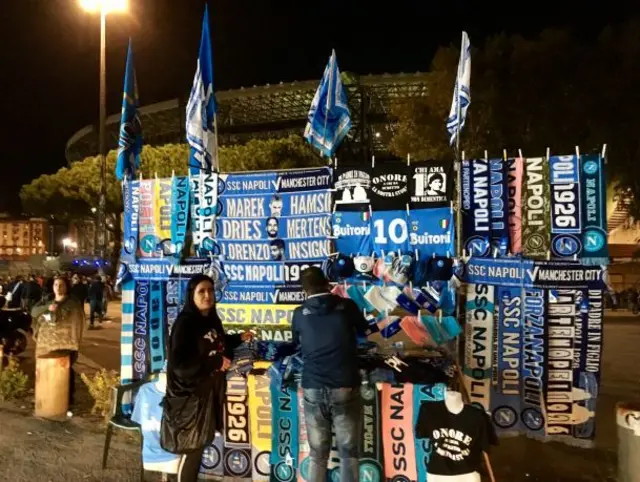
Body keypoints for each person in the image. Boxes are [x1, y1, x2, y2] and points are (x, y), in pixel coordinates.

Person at [164, 274, 254, 482]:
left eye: (211, 291)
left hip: (207, 395)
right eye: (201, 291)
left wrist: (238, 338)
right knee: (192, 450)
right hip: (190, 399)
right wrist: (214, 363)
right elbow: (180, 367)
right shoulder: (185, 324)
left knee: (199, 445)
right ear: (191, 295)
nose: (207, 295)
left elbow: (216, 344)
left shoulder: (212, 319)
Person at [292, 267, 371, 482]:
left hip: (313, 386)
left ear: (304, 290)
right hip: (344, 384)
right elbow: (366, 331)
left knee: (317, 453)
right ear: (327, 282)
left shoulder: (299, 313)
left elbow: (295, 344)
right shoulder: (347, 306)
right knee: (349, 453)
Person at [31, 276, 85, 412]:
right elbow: (34, 312)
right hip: (47, 343)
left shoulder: (72, 304)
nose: (58, 287)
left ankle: (67, 400)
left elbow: (76, 321)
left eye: (61, 285)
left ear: (66, 287)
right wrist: (47, 308)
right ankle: (47, 396)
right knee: (47, 370)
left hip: (65, 344)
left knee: (65, 370)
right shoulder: (47, 300)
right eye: (56, 285)